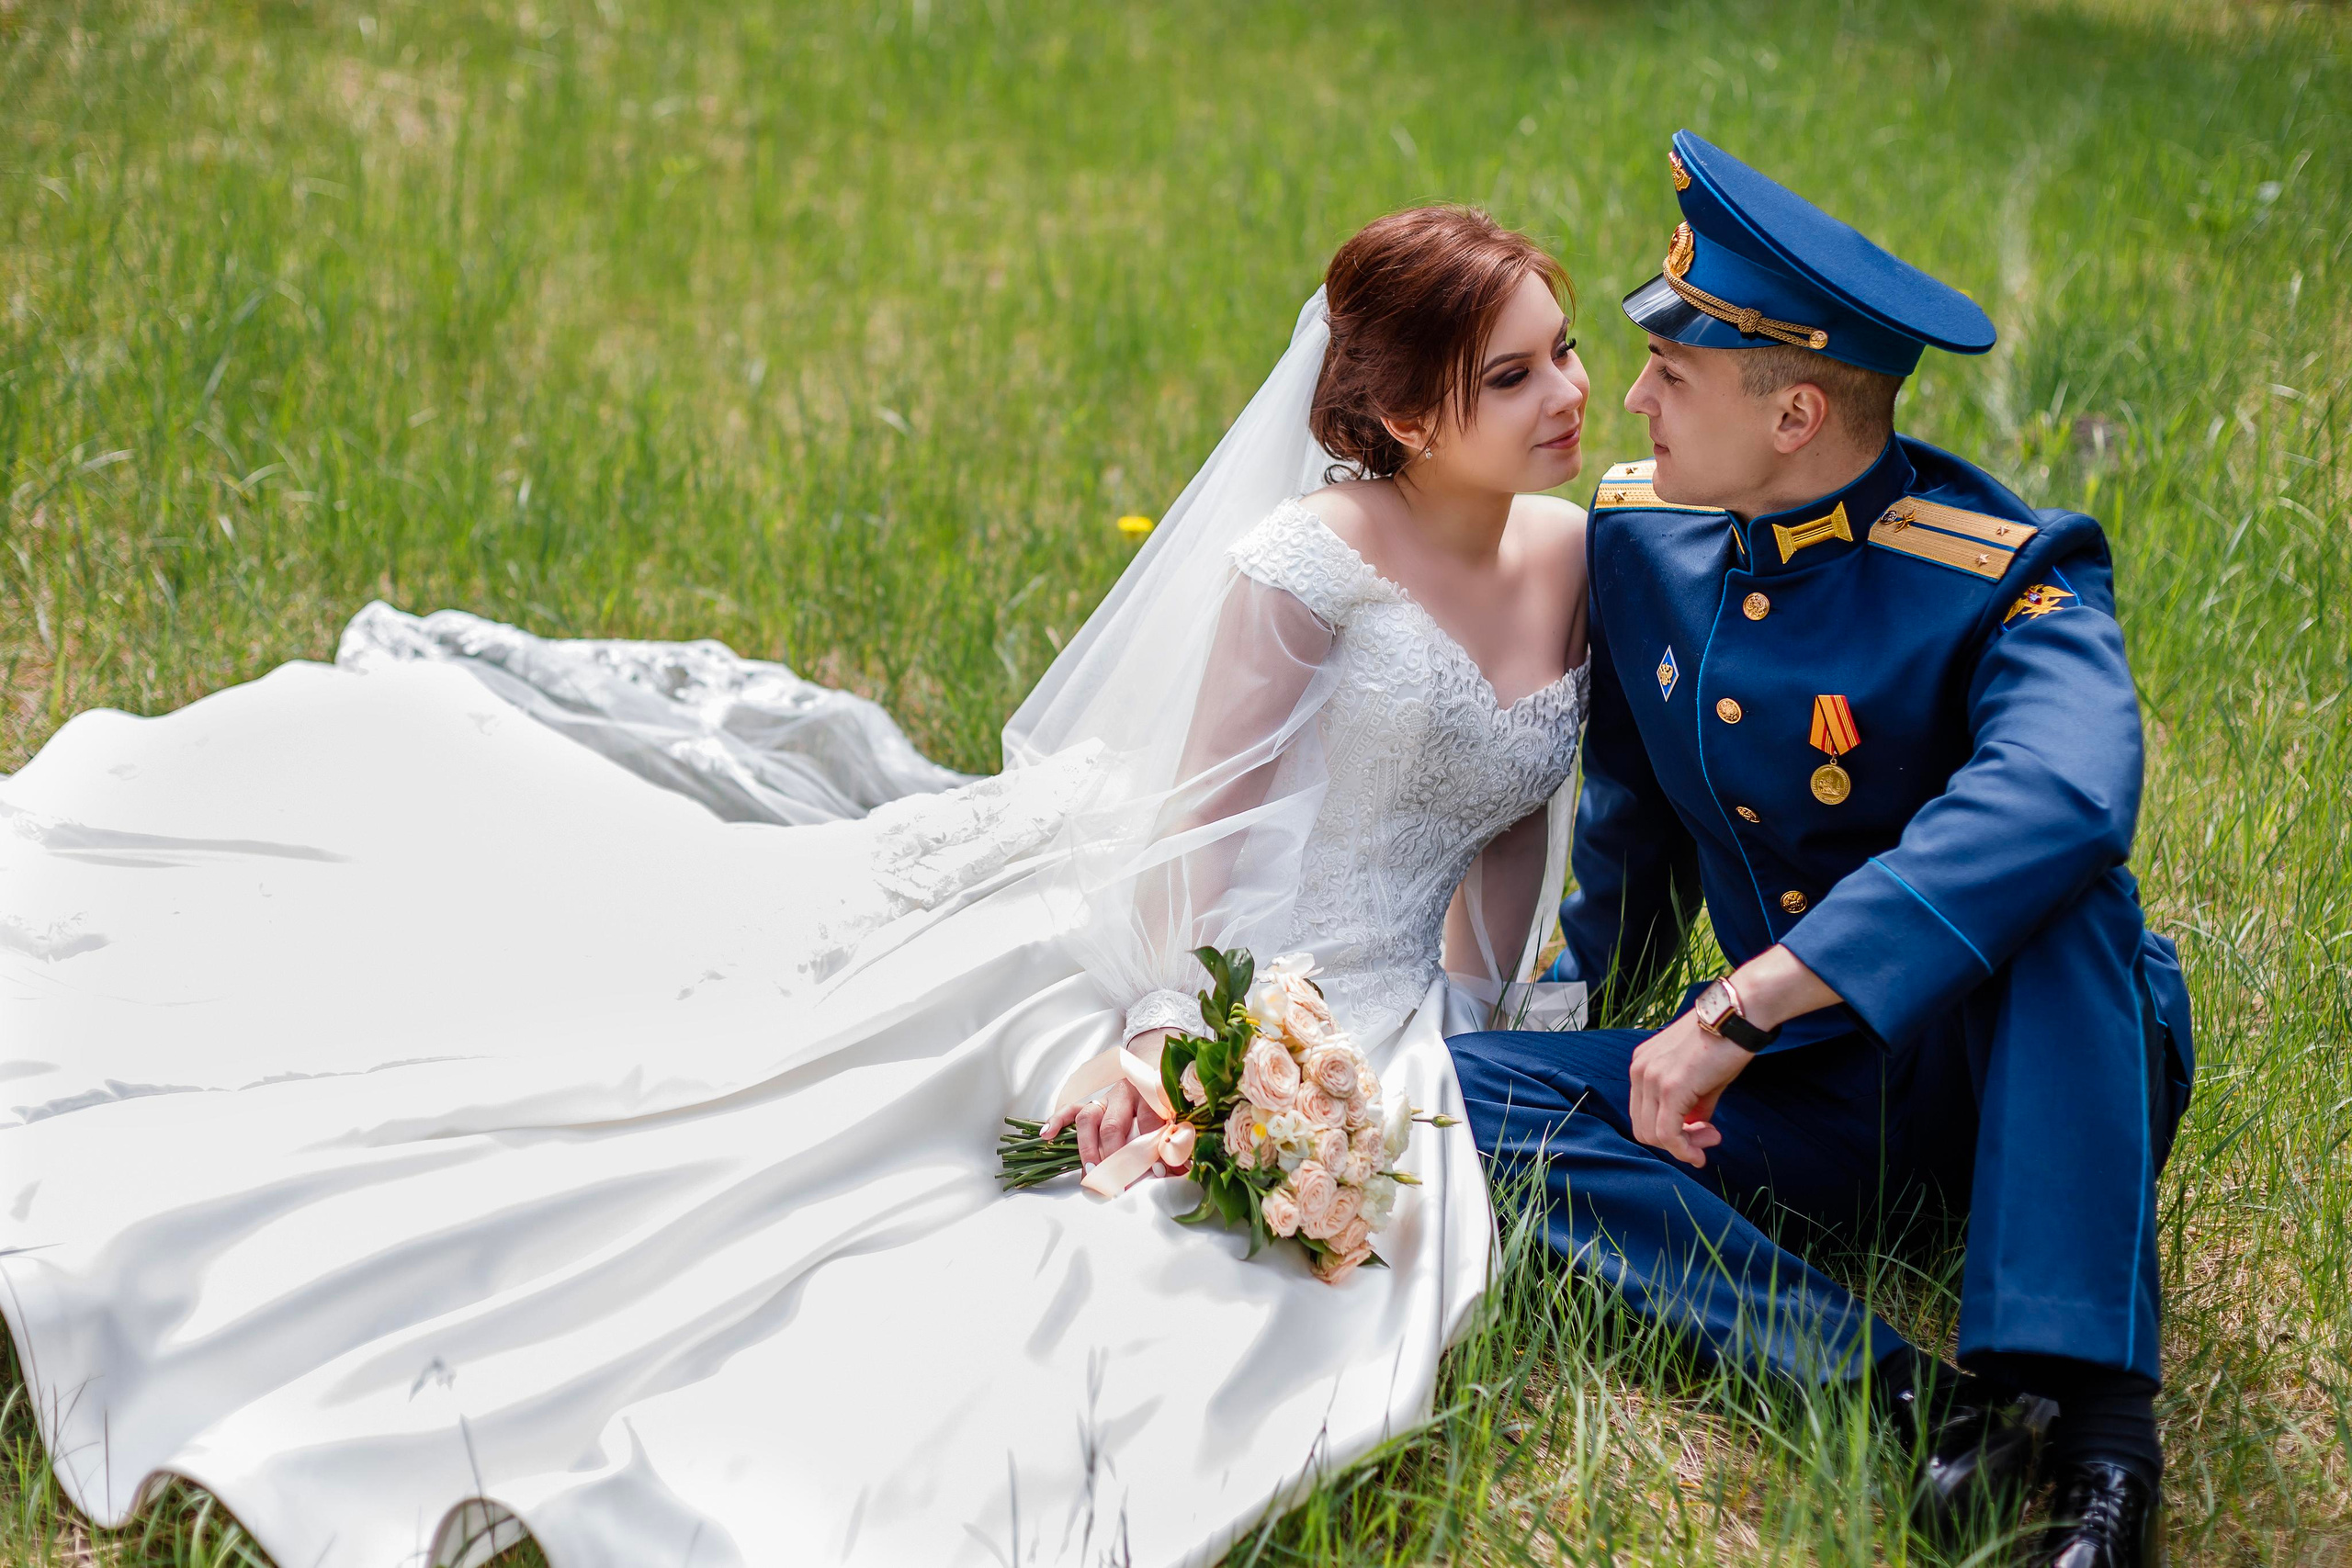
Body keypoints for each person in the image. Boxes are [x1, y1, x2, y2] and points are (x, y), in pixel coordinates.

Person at [0, 208, 1588, 1568]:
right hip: (1233, 953)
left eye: (1566, 352)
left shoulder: (1576, 551)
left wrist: (1505, 1007)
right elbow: (1207, 823)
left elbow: (1515, 805)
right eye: (1512, 375)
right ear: (1398, 413)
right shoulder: (1311, 561)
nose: (1569, 393)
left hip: (1401, 1007)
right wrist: (1181, 1027)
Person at [1448, 132, 2193, 1568]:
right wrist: (1612, 1023)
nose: (1632, 397)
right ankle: (1907, 1403)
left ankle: (2102, 1442)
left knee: (2070, 900)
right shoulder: (1643, 539)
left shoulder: (2005, 572)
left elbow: (2067, 790)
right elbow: (1634, 818)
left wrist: (1742, 1006)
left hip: (2022, 1084)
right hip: (1814, 1100)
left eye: (1674, 373)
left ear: (1795, 412)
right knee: (1466, 1095)